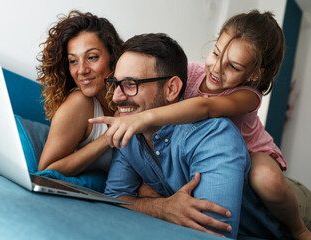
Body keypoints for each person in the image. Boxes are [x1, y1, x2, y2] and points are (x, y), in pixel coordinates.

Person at [90, 10, 311, 239]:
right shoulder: (192, 74)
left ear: (255, 74)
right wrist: (157, 204)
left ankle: (299, 229)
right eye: (216, 54)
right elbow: (116, 196)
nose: (216, 69)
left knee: (266, 179)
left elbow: (207, 108)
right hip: (223, 165)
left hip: (257, 155)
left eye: (233, 67)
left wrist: (144, 117)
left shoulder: (247, 96)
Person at [36, 10, 123, 177]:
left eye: (92, 57)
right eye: (73, 61)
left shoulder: (132, 94)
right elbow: (45, 171)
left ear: (113, 56)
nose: (82, 70)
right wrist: (106, 138)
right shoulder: (79, 104)